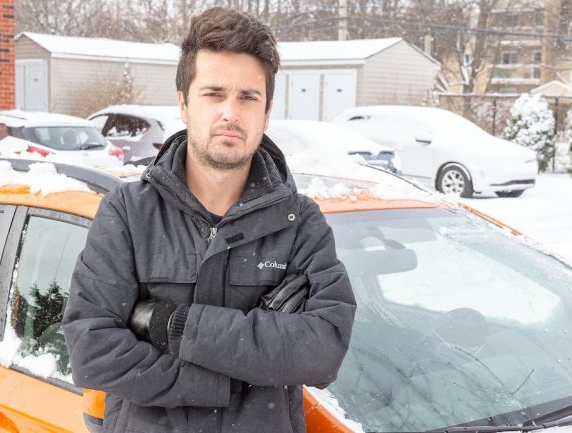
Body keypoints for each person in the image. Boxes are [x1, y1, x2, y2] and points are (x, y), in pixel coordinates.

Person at [62, 7, 356, 433]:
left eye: (248, 97)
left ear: (267, 112)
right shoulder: (129, 213)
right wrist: (232, 375)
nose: (230, 114)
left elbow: (322, 349)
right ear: (184, 103)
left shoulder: (299, 225)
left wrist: (171, 324)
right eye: (214, 94)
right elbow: (92, 350)